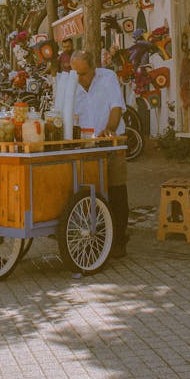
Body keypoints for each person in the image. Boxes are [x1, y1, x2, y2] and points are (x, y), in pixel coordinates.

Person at [71, 50, 129, 259]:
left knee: (116, 191)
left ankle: (120, 240)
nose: (80, 78)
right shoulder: (71, 84)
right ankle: (92, 240)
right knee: (88, 194)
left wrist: (109, 129)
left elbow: (116, 108)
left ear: (94, 69)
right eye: (75, 73)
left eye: (83, 73)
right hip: (86, 147)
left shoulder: (108, 78)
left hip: (111, 143)